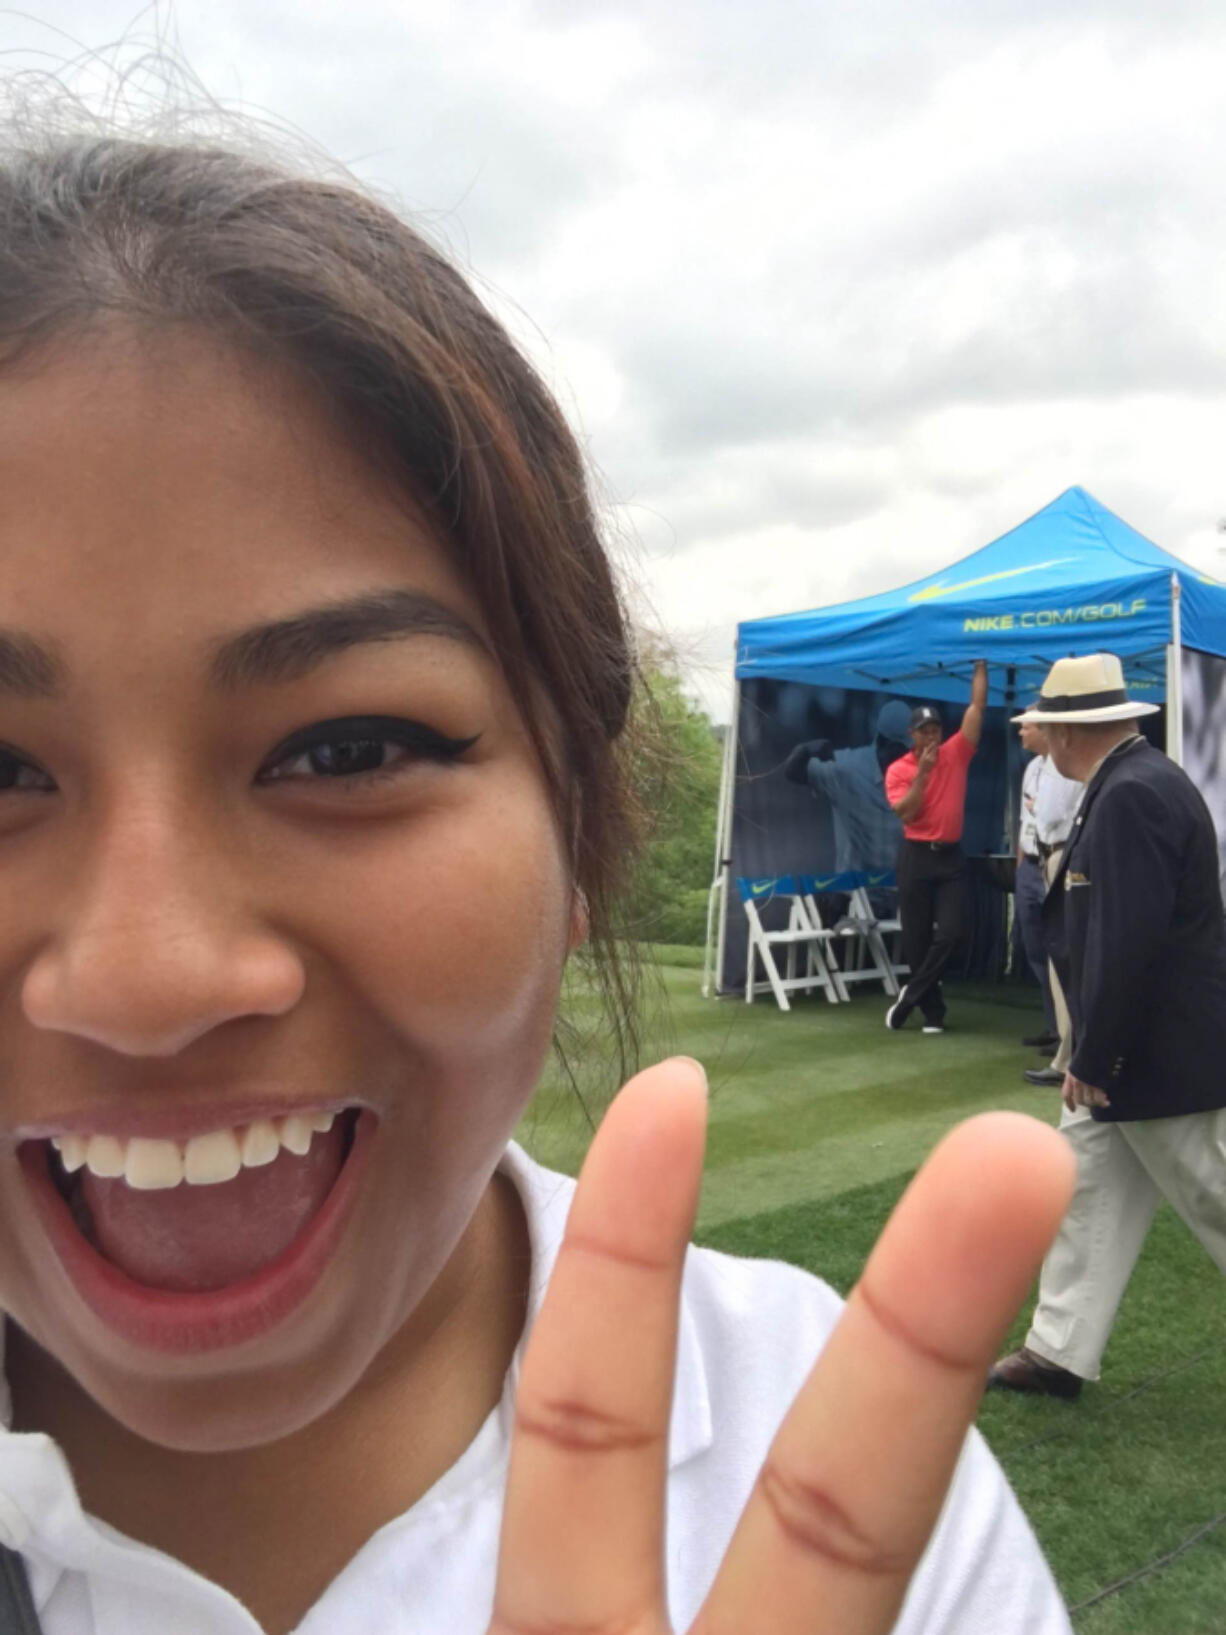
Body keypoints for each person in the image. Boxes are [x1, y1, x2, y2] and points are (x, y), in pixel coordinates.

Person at [0, 129, 1077, 1635]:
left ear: (580, 825)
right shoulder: (917, 778)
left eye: (347, 744)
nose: (151, 974)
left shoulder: (817, 1447)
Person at [990, 653, 1226, 1400]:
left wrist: (1095, 1054)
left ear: (1063, 733)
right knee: (1086, 1189)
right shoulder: (1132, 781)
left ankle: (1057, 1349)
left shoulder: (1129, 795)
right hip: (1142, 1053)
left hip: (1158, 1056)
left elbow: (1129, 940)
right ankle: (1058, 1351)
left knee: (1214, 1192)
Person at [883, 663, 988, 1034]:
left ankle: (910, 994)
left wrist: (981, 667)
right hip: (916, 855)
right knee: (916, 939)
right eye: (924, 731)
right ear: (912, 734)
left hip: (950, 856)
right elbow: (906, 813)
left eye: (936, 730)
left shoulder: (956, 752)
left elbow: (976, 709)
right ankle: (933, 1013)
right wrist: (924, 774)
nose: (931, 736)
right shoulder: (899, 769)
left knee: (953, 932)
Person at [1014, 717, 1082, 1088]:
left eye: (1026, 726)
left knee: (1065, 959)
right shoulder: (1035, 767)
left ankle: (1068, 1056)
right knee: (1047, 954)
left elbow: (1052, 815)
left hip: (1060, 857)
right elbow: (1031, 818)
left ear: (1047, 729)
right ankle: (1062, 1041)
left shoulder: (1064, 765)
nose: (1021, 732)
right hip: (1041, 857)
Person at [783, 701, 910, 874]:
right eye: (904, 750)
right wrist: (805, 749)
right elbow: (793, 772)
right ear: (884, 743)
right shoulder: (848, 767)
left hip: (901, 891)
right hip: (855, 892)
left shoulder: (917, 774)